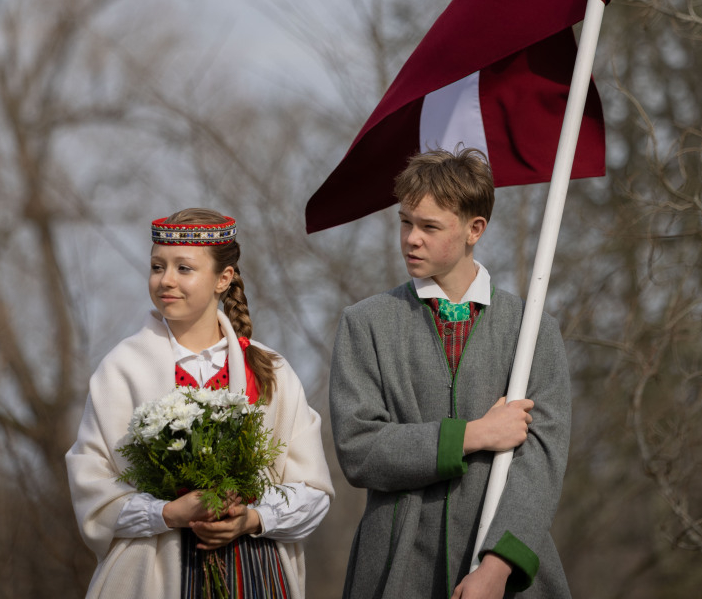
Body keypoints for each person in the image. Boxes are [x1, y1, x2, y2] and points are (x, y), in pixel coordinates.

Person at [330, 150, 572, 598]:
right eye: (405, 222)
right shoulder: (365, 323)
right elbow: (359, 448)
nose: (411, 239)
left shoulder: (532, 328)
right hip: (395, 571)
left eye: (429, 226)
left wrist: (497, 568)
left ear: (474, 229)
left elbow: (541, 462)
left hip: (508, 574)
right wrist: (472, 435)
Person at [67, 208, 334, 598]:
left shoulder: (269, 371)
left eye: (184, 268)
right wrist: (167, 513)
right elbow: (91, 484)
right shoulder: (122, 369)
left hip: (254, 573)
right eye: (157, 266)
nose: (166, 280)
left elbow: (311, 490)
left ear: (223, 279)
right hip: (153, 575)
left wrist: (251, 518)